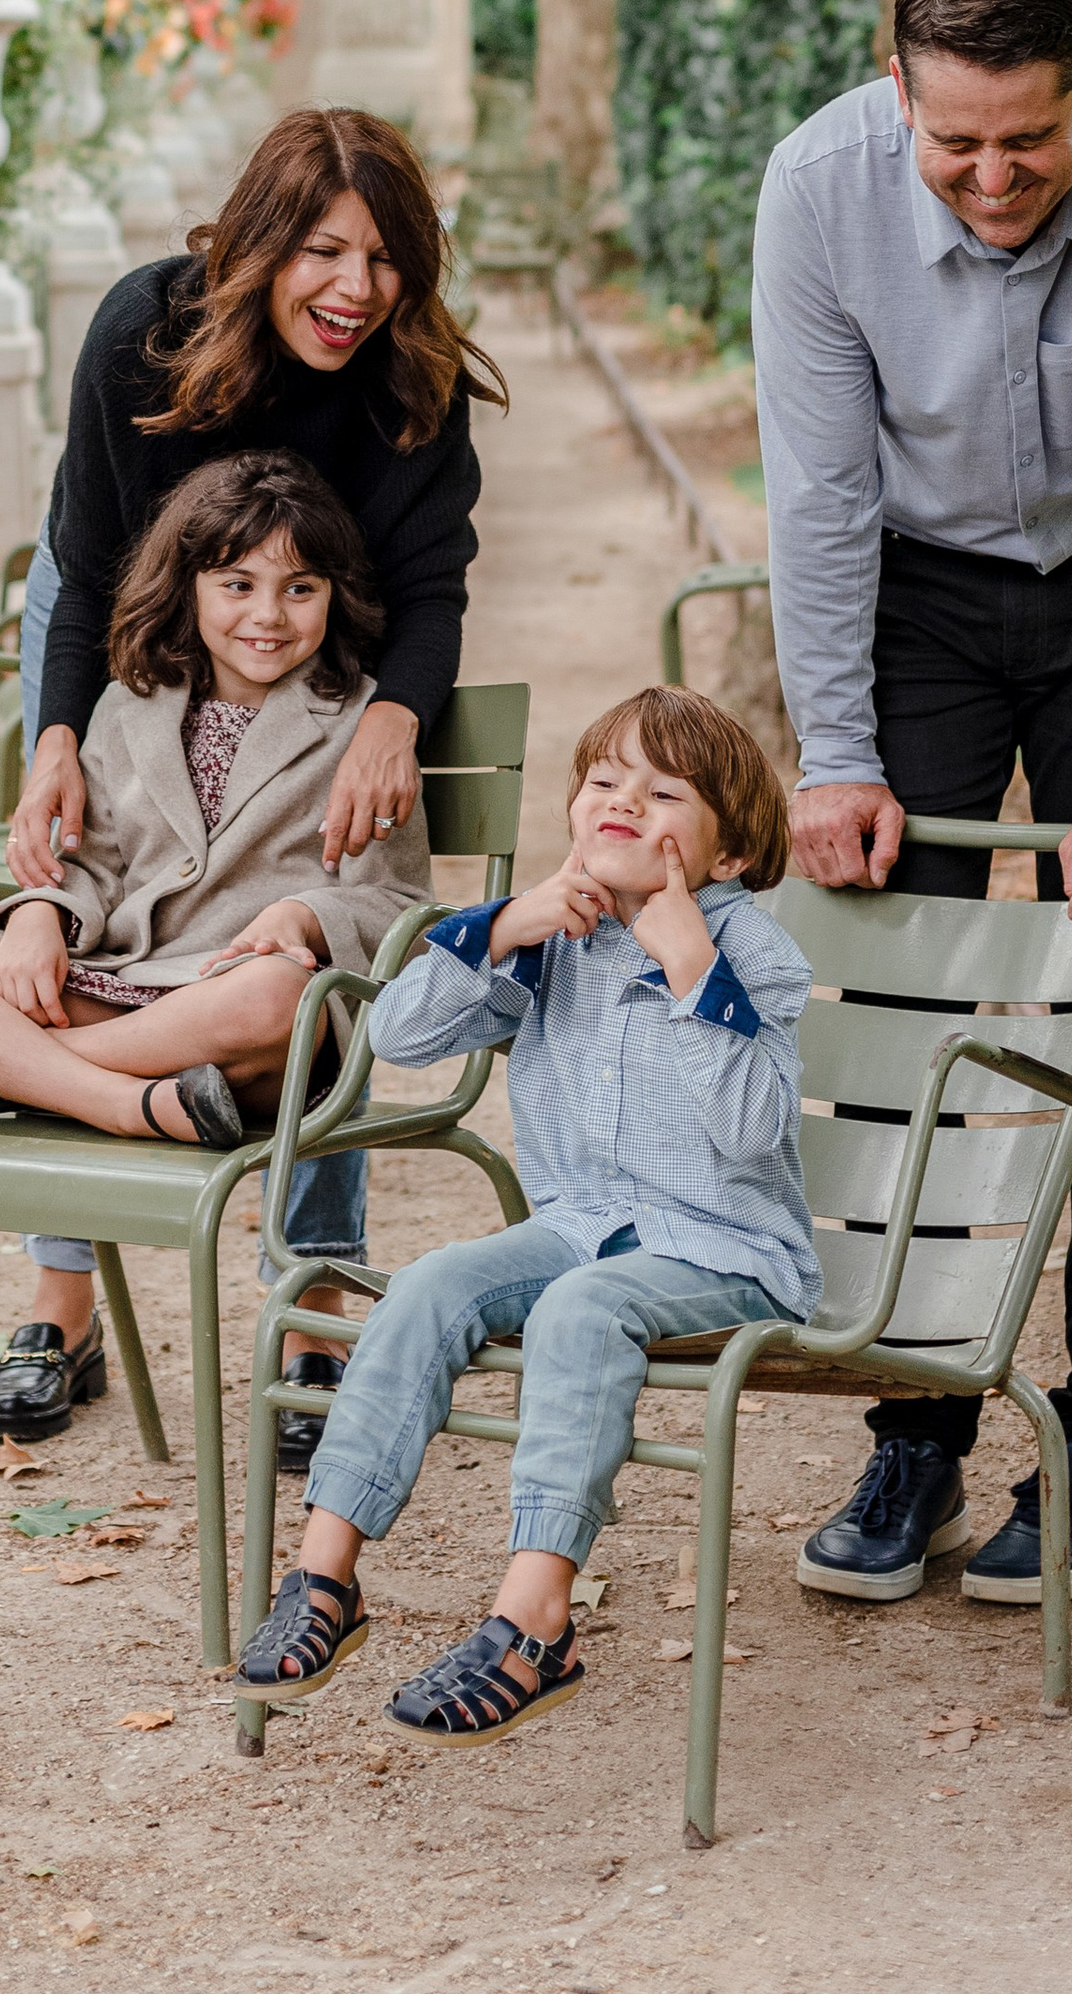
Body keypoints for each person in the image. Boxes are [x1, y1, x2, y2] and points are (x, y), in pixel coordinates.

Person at [752, 0, 1072, 1609]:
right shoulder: (818, 189)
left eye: (1028, 138)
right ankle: (916, 1423)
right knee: (895, 1001)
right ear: (898, 100)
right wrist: (834, 750)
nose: (991, 174)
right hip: (917, 592)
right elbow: (816, 488)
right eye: (952, 141)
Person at [0, 106, 503, 1455]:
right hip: (124, 610)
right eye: (326, 249)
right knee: (100, 902)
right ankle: (62, 1301)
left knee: (301, 912)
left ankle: (315, 1306)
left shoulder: (409, 377)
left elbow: (435, 584)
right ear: (261, 240)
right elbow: (91, 561)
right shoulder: (141, 333)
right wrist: (55, 735)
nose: (356, 286)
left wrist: (397, 713)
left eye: (388, 256)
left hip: (332, 629)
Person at [237, 687, 813, 1744]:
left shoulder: (752, 952)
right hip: (579, 1224)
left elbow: (750, 1129)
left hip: (725, 1249)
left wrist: (691, 962)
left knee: (582, 1311)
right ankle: (324, 1576)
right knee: (427, 1283)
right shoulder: (560, 933)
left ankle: (534, 1622)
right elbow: (402, 1037)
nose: (623, 802)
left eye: (663, 791)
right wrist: (503, 925)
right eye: (603, 781)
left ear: (726, 854)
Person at [0, 453, 427, 1165]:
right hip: (124, 990)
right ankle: (118, 1102)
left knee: (274, 996)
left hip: (239, 1027)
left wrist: (305, 917)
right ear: (190, 587)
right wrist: (39, 913)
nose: (267, 614)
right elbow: (90, 858)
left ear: (335, 594)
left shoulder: (364, 727)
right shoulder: (129, 705)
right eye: (237, 584)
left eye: (300, 588)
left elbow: (400, 903)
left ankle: (1, 1071)